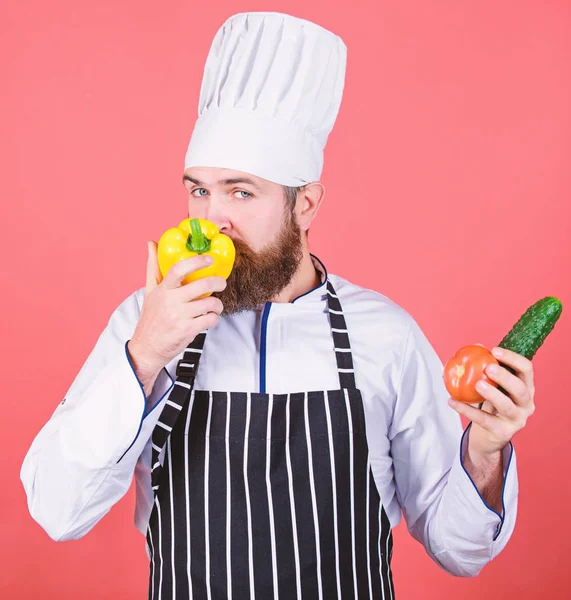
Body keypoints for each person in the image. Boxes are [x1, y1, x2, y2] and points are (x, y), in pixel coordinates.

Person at [21, 11, 536, 600]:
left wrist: (486, 450)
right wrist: (145, 355)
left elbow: (458, 549)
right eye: (199, 190)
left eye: (241, 191)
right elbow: (58, 511)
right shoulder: (145, 322)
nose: (211, 219)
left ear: (306, 205)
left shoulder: (384, 336)